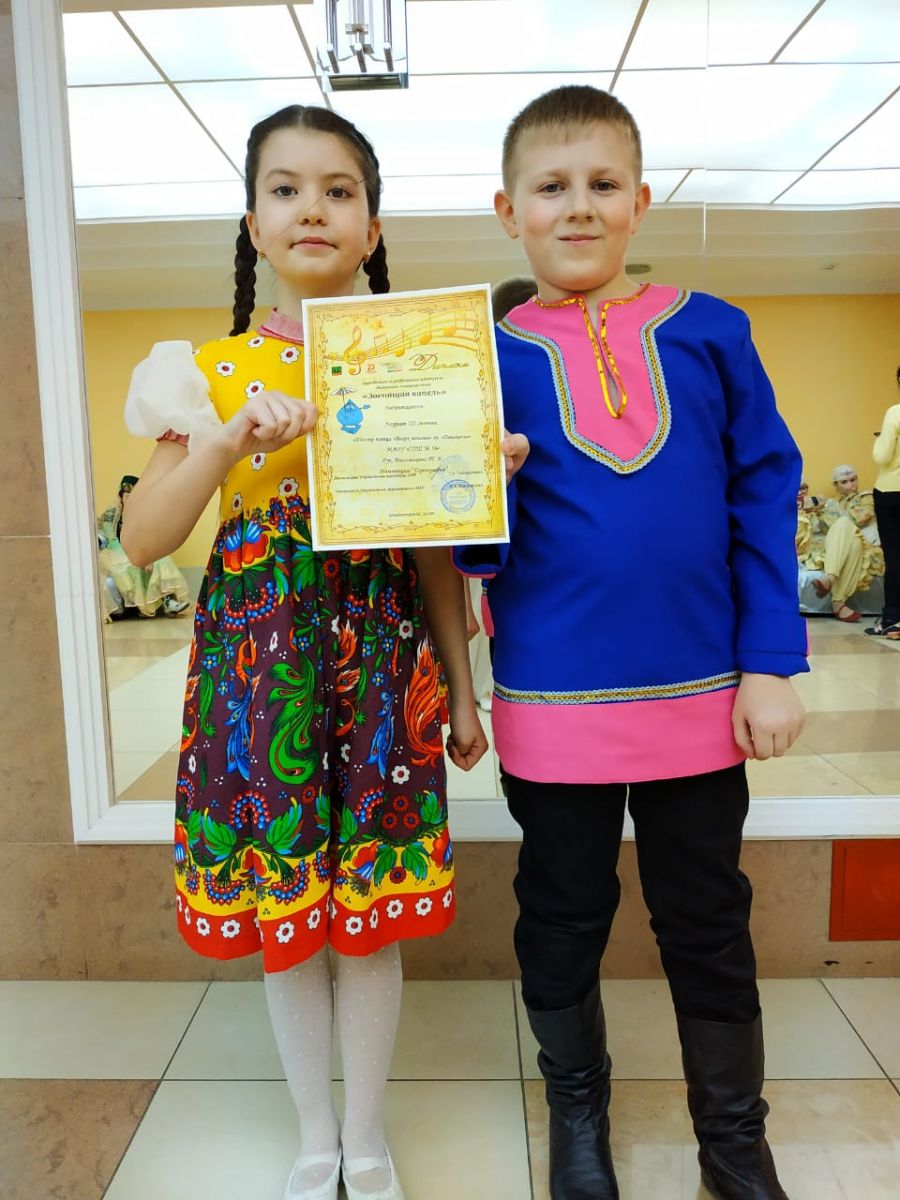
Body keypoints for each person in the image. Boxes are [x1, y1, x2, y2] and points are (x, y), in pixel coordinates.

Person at [121, 105, 491, 1200]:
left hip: (382, 676)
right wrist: (229, 439)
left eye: (339, 190)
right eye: (285, 189)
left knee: (369, 913)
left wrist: (462, 691)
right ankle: (315, 1137)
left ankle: (367, 1140)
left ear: (373, 227)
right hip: (259, 683)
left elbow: (434, 553)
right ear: (254, 224)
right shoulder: (208, 371)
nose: (312, 209)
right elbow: (143, 538)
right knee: (288, 916)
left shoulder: (416, 364)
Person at [454, 85, 807, 1200]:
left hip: (703, 696)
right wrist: (487, 490)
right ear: (508, 210)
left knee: (707, 917)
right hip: (551, 705)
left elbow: (764, 490)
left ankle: (734, 1144)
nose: (579, 207)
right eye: (550, 187)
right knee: (561, 917)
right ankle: (578, 1125)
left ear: (641, 200)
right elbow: (468, 553)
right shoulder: (476, 360)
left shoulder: (712, 331)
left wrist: (772, 662)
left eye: (603, 184)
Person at [97, 474, 190, 619]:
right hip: (117, 558)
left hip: (140, 554)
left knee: (162, 558)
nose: (129, 500)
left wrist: (149, 557)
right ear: (121, 497)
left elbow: (152, 539)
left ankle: (168, 601)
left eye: (133, 497)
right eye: (127, 496)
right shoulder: (111, 516)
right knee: (129, 568)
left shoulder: (144, 515)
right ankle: (139, 606)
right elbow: (105, 538)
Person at [811, 464, 884, 622]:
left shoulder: (866, 497)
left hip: (868, 545)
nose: (851, 484)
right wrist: (817, 510)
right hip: (847, 545)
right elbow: (827, 529)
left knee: (847, 527)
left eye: (853, 479)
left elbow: (860, 518)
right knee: (853, 543)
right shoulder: (831, 503)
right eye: (844, 482)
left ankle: (829, 579)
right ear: (836, 485)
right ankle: (838, 603)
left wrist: (834, 508)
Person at [867, 374, 900, 638]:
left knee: (896, 557)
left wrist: (880, 439)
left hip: (892, 492)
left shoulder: (895, 413)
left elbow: (881, 456)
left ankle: (892, 619)